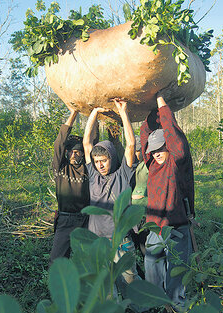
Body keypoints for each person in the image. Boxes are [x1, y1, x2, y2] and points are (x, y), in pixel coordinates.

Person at [140, 92, 195, 311]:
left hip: (177, 228)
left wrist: (162, 102)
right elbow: (145, 134)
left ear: (168, 147)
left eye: (160, 149)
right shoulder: (152, 164)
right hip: (155, 229)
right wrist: (151, 108)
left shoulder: (177, 162)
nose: (156, 154)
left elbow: (174, 137)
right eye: (153, 151)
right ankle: (155, 304)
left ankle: (175, 307)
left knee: (177, 275)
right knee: (152, 270)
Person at [83, 98, 138, 294]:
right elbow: (86, 142)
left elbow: (130, 144)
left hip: (121, 242)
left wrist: (123, 112)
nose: (100, 165)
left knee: (131, 284)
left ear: (111, 158)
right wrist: (94, 112)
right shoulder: (92, 176)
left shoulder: (122, 174)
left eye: (103, 160)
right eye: (97, 161)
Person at [50, 107, 90, 263]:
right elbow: (59, 142)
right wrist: (73, 113)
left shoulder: (88, 168)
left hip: (86, 219)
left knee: (88, 260)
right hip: (65, 219)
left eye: (78, 151)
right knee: (57, 259)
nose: (74, 155)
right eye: (71, 151)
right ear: (66, 152)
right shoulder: (61, 167)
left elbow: (91, 140)